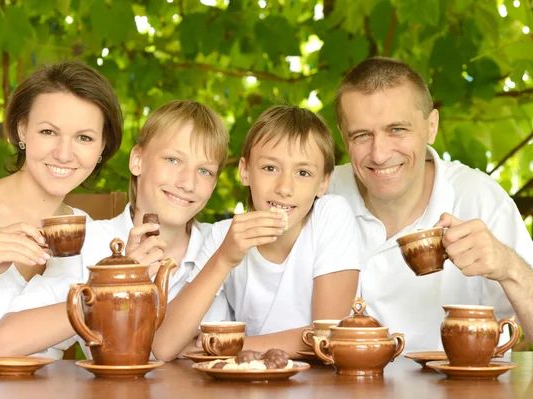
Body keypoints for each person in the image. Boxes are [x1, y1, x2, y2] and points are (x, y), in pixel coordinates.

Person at [0, 100, 231, 358]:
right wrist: (110, 291)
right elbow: (4, 343)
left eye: (205, 170)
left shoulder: (223, 245)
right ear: (137, 160)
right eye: (173, 160)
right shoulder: (90, 242)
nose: (187, 182)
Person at [327, 56, 533, 352]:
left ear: (431, 126)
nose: (380, 153)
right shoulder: (323, 193)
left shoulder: (480, 198)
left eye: (397, 129)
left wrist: (509, 266)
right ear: (343, 137)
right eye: (362, 135)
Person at [0, 62, 123, 360]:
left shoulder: (91, 234)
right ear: (23, 130)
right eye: (48, 131)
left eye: (84, 137)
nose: (63, 153)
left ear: (102, 147)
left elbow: (110, 351)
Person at [152, 105, 362, 361]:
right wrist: (224, 259)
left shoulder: (330, 215)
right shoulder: (223, 236)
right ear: (244, 171)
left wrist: (228, 346)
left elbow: (329, 338)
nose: (285, 188)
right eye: (270, 168)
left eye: (303, 173)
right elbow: (164, 348)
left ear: (323, 183)